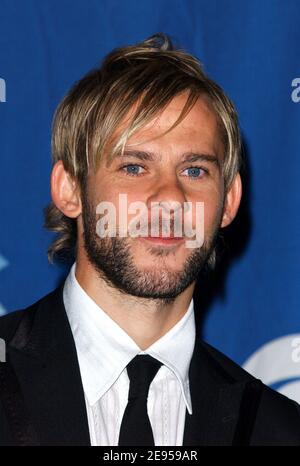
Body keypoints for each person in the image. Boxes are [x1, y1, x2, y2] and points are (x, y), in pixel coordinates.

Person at [0, 33, 299, 447]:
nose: (170, 198)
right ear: (70, 189)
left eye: (195, 170)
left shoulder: (278, 430)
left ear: (228, 202)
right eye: (134, 167)